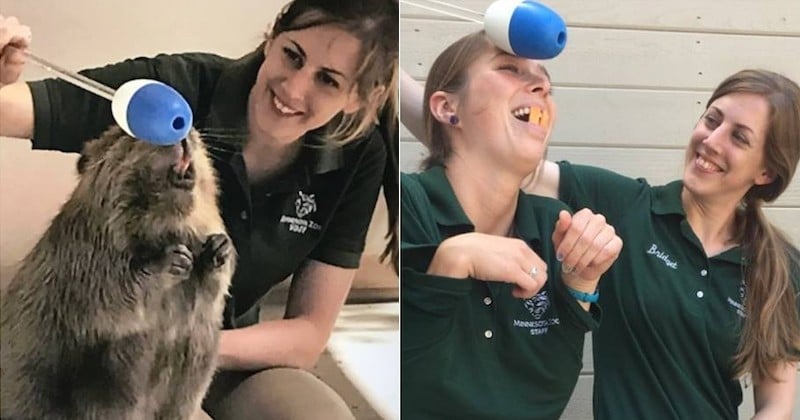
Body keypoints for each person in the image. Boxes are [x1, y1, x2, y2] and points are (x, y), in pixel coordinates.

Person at [0, 1, 398, 418]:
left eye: (328, 81)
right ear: (272, 37)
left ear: (359, 97)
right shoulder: (171, 92)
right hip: (86, 351)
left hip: (217, 349)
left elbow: (308, 333)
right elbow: (11, 108)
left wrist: (188, 350)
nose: (294, 89)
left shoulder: (358, 156)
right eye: (292, 55)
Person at [402, 57, 800, 417]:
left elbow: (776, 405)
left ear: (765, 172)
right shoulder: (625, 206)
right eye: (712, 120)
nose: (711, 141)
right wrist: (390, 76)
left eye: (739, 137)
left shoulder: (781, 266)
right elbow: (485, 151)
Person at [401, 30, 623, 419]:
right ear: (447, 108)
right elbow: (407, 390)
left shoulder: (554, 223)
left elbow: (545, 395)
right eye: (509, 68)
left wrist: (582, 285)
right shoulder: (405, 205)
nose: (540, 86)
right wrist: (452, 263)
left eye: (546, 85)